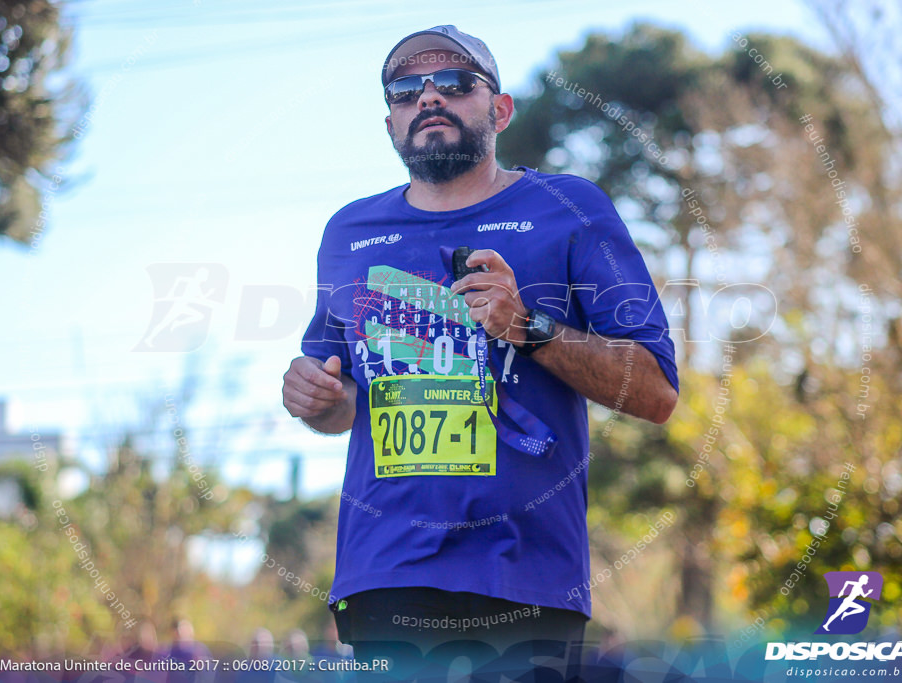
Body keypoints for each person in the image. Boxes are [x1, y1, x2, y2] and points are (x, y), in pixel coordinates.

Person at [282, 24, 678, 680]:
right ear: (390, 122)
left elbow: (657, 391)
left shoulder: (568, 208)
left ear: (499, 109)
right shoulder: (349, 232)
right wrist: (314, 397)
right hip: (386, 570)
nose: (428, 97)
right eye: (407, 89)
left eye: (455, 83)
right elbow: (342, 399)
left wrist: (527, 326)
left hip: (525, 572)